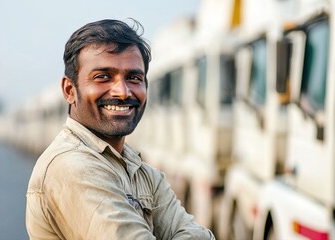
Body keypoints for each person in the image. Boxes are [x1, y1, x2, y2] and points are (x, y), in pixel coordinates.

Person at [26, 19, 215, 240]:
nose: (123, 92)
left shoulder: (140, 170)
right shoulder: (71, 167)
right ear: (70, 90)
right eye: (103, 77)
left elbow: (198, 234)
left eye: (134, 78)